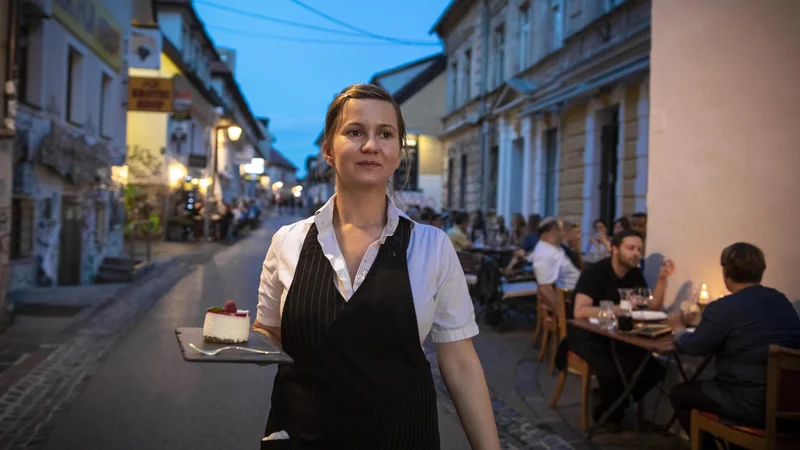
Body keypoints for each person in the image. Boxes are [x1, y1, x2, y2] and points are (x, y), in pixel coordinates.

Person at [254, 84, 499, 449]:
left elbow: (460, 362)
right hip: (302, 436)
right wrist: (224, 337)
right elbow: (270, 334)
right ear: (328, 151)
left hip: (403, 437)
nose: (371, 145)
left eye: (385, 134)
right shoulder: (287, 242)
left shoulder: (431, 247)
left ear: (399, 153)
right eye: (355, 132)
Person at [668, 243, 800, 449]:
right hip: (789, 406)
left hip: (749, 407)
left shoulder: (724, 307)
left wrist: (679, 330)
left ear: (726, 272)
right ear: (761, 271)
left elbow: (694, 347)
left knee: (680, 394)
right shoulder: (781, 301)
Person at [570, 230, 675, 431]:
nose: (636, 253)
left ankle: (607, 408)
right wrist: (616, 310)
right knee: (613, 369)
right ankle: (611, 416)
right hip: (588, 335)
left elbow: (652, 308)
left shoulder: (634, 274)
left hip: (619, 336)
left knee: (654, 369)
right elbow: (579, 311)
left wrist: (662, 280)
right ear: (615, 249)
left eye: (639, 249)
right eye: (630, 248)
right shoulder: (595, 272)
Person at [530, 218, 581, 309]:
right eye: (562, 230)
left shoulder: (553, 249)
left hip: (578, 295)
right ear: (553, 231)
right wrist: (562, 314)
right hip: (573, 300)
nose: (563, 234)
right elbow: (545, 288)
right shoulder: (545, 253)